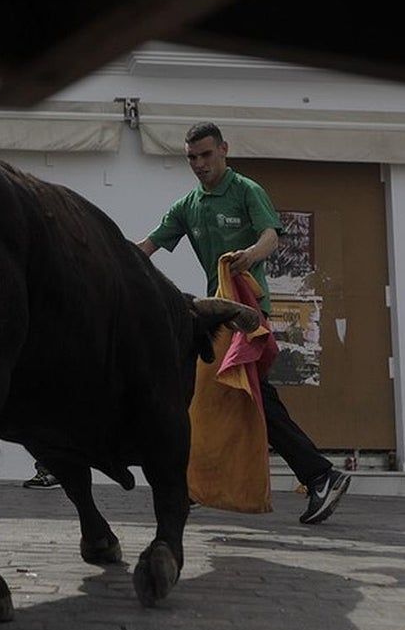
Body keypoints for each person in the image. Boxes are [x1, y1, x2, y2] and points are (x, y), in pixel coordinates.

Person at [137, 121, 351, 524]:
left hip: (248, 314)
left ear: (223, 150)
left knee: (239, 399)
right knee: (228, 399)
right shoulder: (187, 206)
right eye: (192, 158)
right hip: (216, 318)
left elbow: (271, 235)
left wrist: (251, 254)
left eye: (205, 155)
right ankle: (314, 474)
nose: (199, 164)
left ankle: (319, 474)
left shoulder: (247, 191)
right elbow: (146, 247)